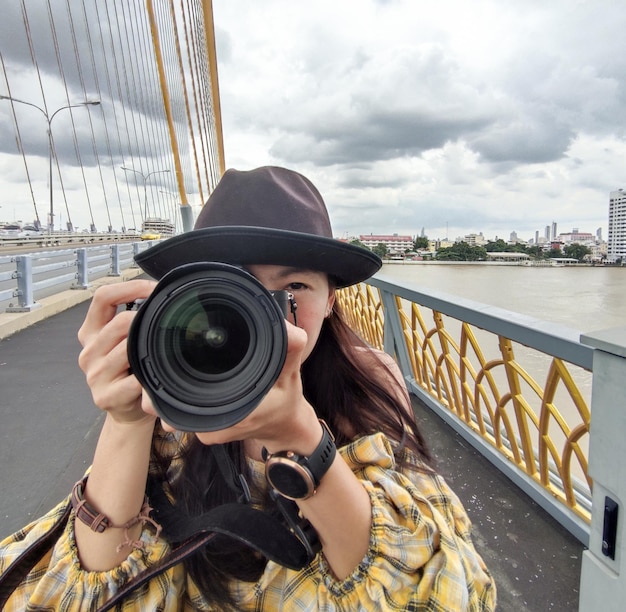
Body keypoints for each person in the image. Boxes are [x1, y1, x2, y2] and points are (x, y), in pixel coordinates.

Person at [0, 166, 496, 610]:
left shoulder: (365, 385)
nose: (262, 312)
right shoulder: (167, 385)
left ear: (331, 300)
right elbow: (93, 585)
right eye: (234, 286)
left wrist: (302, 438)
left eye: (293, 288)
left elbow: (439, 594)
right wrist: (128, 417)